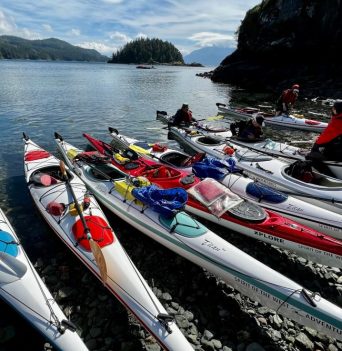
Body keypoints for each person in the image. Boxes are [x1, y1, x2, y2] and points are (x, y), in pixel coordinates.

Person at [305, 100, 342, 175]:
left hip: (338, 155)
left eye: (333, 108)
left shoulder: (336, 121)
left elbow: (321, 141)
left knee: (311, 156)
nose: (332, 110)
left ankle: (330, 176)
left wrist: (315, 147)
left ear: (337, 110)